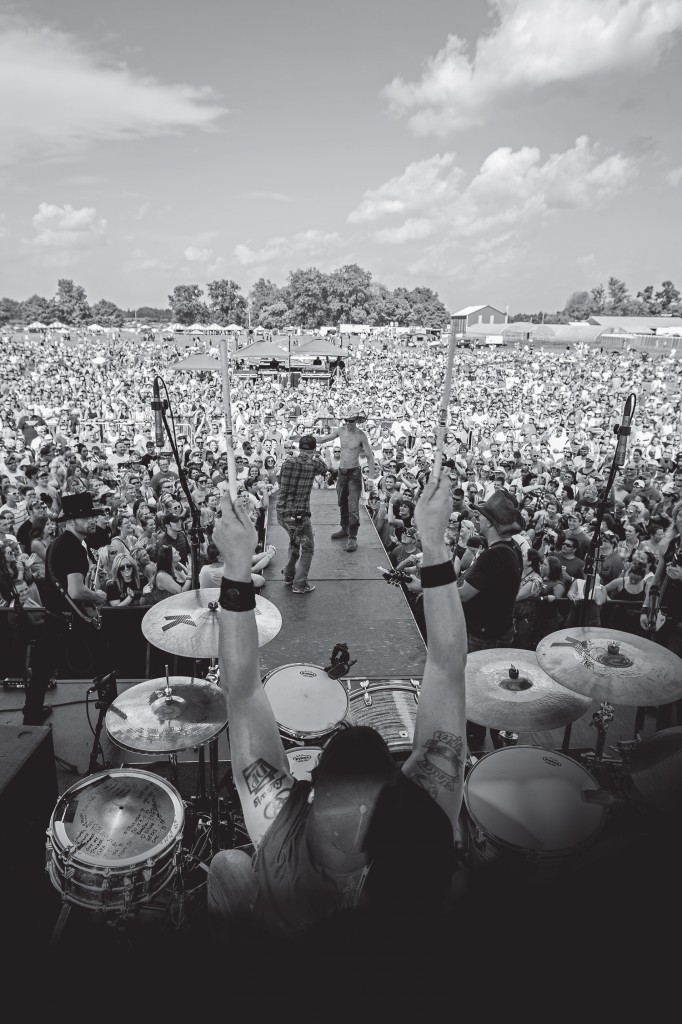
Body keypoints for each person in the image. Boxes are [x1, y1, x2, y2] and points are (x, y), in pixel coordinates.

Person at [207, 470, 465, 939]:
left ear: (314, 787)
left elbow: (241, 690)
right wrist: (434, 544)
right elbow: (447, 667)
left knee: (228, 865)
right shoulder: (429, 827)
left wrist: (236, 569)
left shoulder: (281, 837)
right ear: (399, 783)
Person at [456, 491, 523, 751]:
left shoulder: (495, 555)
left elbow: (462, 594)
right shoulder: (512, 548)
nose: (478, 519)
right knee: (494, 689)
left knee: (478, 691)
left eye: (482, 516)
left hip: (486, 635)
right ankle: (497, 747)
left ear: (491, 524)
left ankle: (475, 746)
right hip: (500, 629)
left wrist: (427, 587)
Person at [43, 492, 111, 688]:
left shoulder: (58, 543)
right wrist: (96, 595)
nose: (91, 521)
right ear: (71, 522)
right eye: (85, 517)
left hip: (55, 618)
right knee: (96, 669)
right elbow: (75, 591)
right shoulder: (73, 547)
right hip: (70, 623)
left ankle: (33, 712)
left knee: (45, 670)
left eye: (92, 516)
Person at [313, 407, 375, 553]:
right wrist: (304, 438)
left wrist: (370, 478)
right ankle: (344, 528)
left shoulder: (361, 435)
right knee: (342, 502)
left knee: (353, 506)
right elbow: (323, 439)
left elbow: (370, 458)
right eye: (346, 420)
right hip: (342, 472)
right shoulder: (340, 430)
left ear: (356, 421)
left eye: (351, 421)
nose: (348, 423)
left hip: (354, 473)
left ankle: (352, 537)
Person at [275, 434, 327, 594]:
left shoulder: (288, 462)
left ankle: (289, 575)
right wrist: (316, 456)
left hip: (282, 514)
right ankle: (299, 584)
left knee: (294, 542)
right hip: (299, 516)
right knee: (308, 548)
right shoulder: (314, 464)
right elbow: (325, 469)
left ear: (299, 448)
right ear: (314, 449)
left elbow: (280, 479)